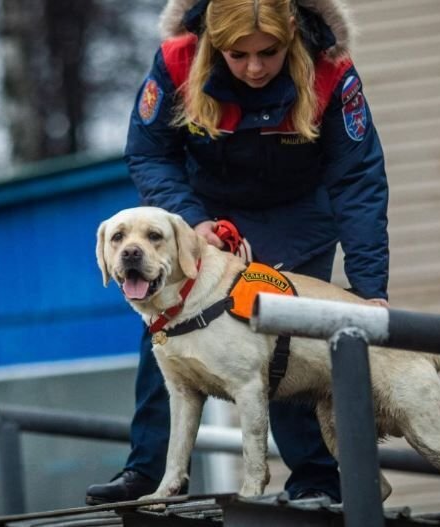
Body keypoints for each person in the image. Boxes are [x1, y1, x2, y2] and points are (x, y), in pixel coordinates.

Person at [86, 0, 389, 505]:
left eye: (268, 53)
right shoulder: (178, 61)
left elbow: (358, 180)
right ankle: (148, 471)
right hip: (204, 211)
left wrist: (370, 288)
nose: (254, 67)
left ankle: (315, 478)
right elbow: (149, 152)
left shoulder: (331, 70)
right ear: (211, 40)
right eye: (237, 55)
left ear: (292, 32)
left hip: (297, 217)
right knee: (166, 322)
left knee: (285, 331)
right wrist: (190, 220)